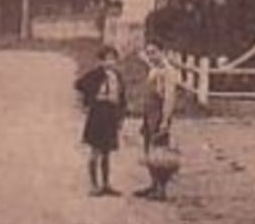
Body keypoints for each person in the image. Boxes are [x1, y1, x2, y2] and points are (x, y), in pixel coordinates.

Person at [73, 46, 125, 197]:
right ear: (101, 60)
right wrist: (83, 104)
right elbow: (78, 85)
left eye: (113, 58)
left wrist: (121, 117)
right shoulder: (96, 74)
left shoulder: (118, 76)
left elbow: (122, 98)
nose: (110, 62)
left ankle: (106, 184)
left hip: (111, 113)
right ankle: (94, 185)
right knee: (95, 151)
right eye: (107, 58)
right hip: (98, 113)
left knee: (107, 151)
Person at [135, 46, 179, 201]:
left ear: (163, 52)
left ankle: (161, 189)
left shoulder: (169, 71)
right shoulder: (154, 69)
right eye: (149, 53)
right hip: (149, 113)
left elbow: (169, 98)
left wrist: (165, 120)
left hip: (159, 114)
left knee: (160, 152)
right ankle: (153, 184)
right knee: (149, 150)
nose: (151, 56)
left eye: (154, 52)